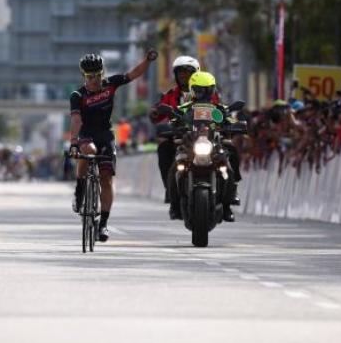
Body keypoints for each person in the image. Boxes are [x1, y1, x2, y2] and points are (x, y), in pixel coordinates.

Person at [69, 50, 157, 242]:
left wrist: (148, 61)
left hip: (105, 134)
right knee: (88, 152)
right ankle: (80, 187)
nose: (94, 80)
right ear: (84, 76)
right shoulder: (77, 95)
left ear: (103, 72)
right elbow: (76, 121)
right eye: (90, 77)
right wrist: (74, 143)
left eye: (98, 75)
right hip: (86, 134)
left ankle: (103, 224)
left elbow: (133, 74)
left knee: (106, 179)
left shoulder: (111, 84)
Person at [168, 71, 240, 222]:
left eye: (207, 90)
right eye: (200, 90)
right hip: (189, 145)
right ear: (193, 89)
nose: (204, 93)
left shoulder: (219, 110)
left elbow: (230, 121)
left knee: (228, 165)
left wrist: (236, 125)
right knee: (175, 167)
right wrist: (173, 126)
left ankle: (228, 205)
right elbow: (174, 120)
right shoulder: (185, 109)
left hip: (213, 144)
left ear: (213, 90)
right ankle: (174, 205)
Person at [149, 56, 221, 208]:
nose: (184, 75)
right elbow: (158, 112)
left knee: (229, 151)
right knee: (164, 149)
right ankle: (171, 192)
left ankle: (228, 198)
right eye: (180, 72)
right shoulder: (170, 94)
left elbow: (220, 111)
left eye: (188, 72)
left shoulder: (211, 91)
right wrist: (155, 112)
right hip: (181, 137)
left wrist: (229, 123)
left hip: (207, 136)